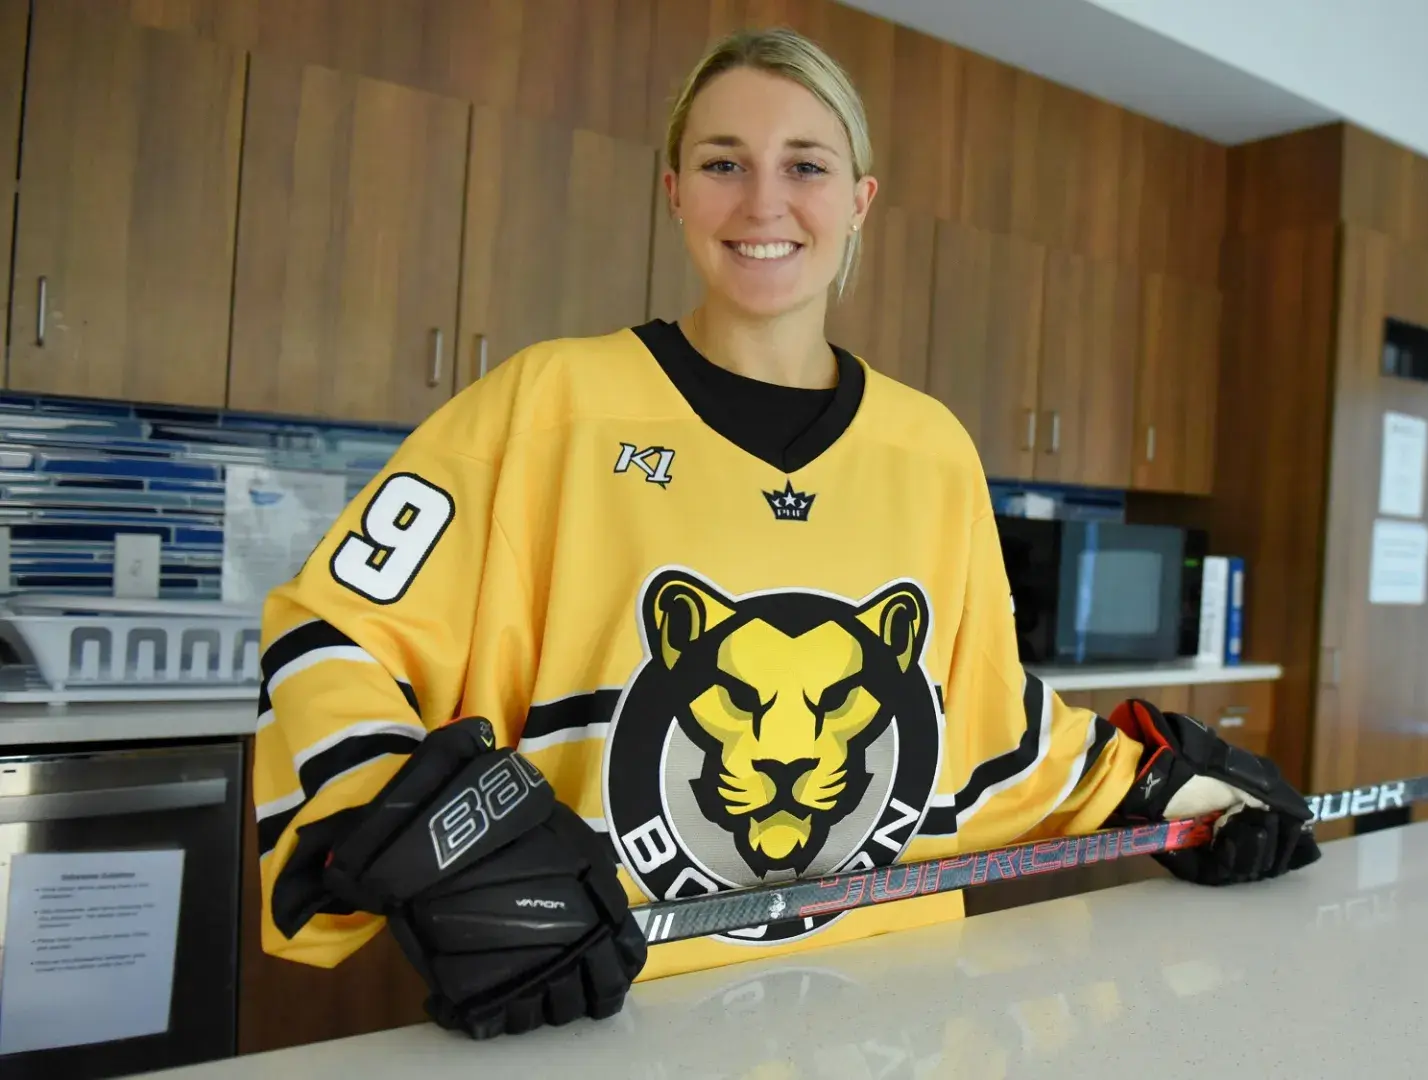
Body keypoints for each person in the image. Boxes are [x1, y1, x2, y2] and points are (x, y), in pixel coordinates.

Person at [251, 26, 1319, 1041]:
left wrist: (1174, 795)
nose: (764, 200)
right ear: (674, 192)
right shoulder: (547, 404)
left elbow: (986, 725)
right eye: (724, 162)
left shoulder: (929, 448)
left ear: (860, 203)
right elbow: (331, 634)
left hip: (894, 1015)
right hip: (615, 1014)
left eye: (805, 166)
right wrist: (453, 844)